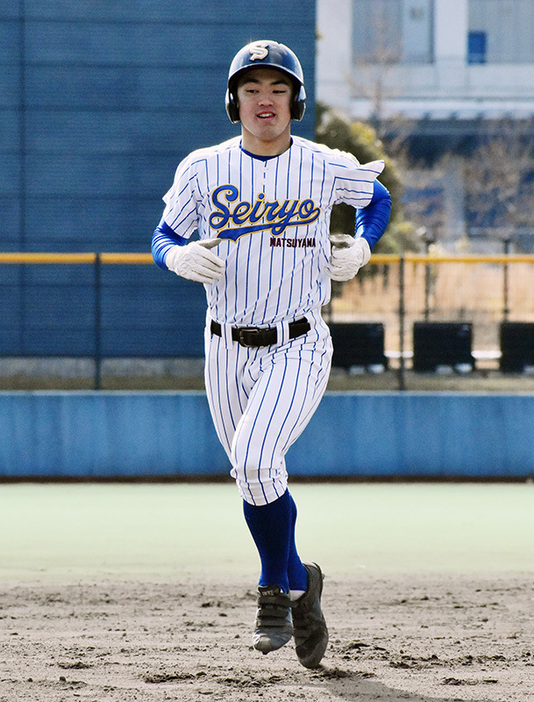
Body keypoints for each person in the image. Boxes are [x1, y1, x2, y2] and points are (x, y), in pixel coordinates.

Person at [151, 39, 391, 669]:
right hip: (224, 347)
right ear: (235, 101)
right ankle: (302, 581)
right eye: (252, 89)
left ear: (296, 100)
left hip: (298, 340)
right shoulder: (203, 167)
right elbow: (164, 233)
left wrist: (362, 247)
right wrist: (175, 255)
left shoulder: (324, 164)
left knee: (257, 460)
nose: (265, 100)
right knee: (254, 475)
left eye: (277, 89)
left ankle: (272, 592)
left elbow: (378, 201)